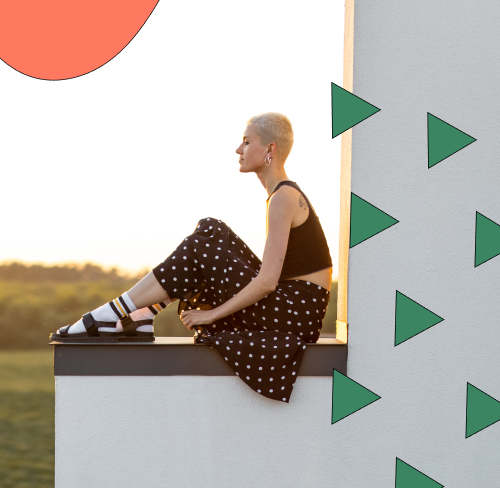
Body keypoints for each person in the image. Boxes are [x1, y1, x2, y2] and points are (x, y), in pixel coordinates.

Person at [50, 112, 333, 403]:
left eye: (247, 142)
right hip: (294, 309)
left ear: (270, 150)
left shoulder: (283, 198)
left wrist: (211, 314)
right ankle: (141, 315)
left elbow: (267, 282)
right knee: (213, 229)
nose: (239, 149)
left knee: (205, 242)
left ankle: (116, 314)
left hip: (293, 315)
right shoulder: (283, 195)